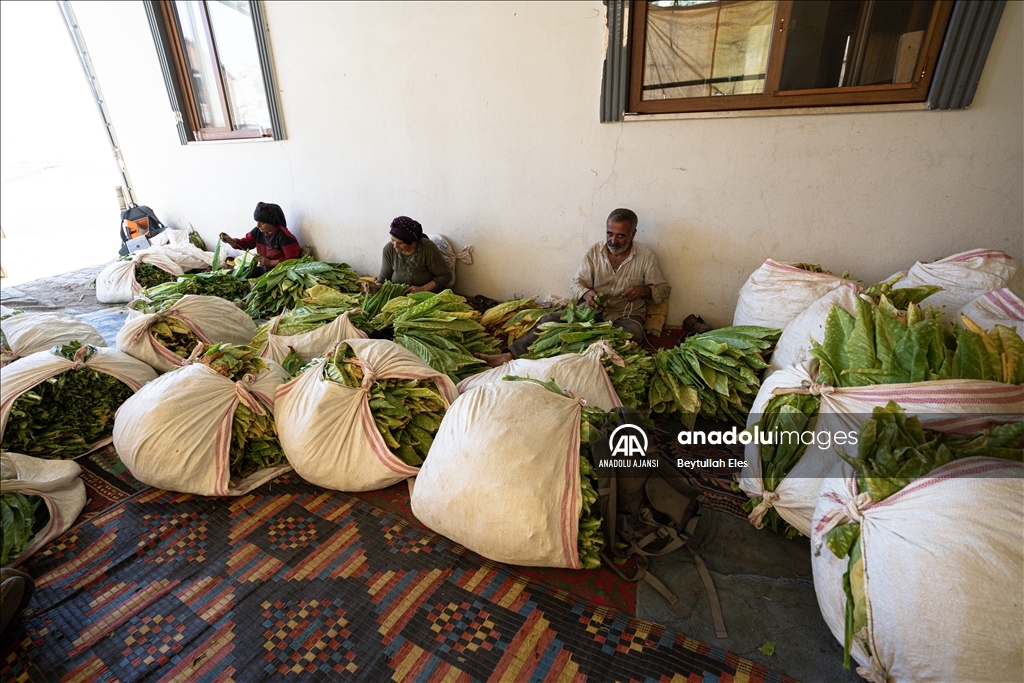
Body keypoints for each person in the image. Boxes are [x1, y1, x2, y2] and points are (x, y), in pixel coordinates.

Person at [477, 208, 670, 366]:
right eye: (609, 234)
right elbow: (577, 283)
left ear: (633, 234)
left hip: (625, 316)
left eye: (621, 236)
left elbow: (663, 289)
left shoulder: (645, 256)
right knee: (549, 320)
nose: (613, 240)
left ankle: (568, 364)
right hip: (592, 312)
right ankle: (509, 356)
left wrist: (642, 290)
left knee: (631, 336)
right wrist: (587, 294)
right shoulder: (596, 251)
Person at [368, 216, 453, 294]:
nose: (395, 246)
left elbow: (445, 276)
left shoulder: (428, 249)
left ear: (412, 242)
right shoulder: (388, 250)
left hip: (425, 295)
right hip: (398, 297)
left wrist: (422, 289)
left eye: (400, 243)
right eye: (392, 240)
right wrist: (374, 287)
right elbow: (383, 278)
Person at [219, 202, 300, 275]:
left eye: (262, 223)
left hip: (280, 272)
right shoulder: (258, 231)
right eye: (257, 222)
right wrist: (231, 241)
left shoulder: (285, 237)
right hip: (264, 269)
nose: (258, 225)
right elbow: (246, 243)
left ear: (272, 222)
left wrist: (271, 262)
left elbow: (293, 260)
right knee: (231, 275)